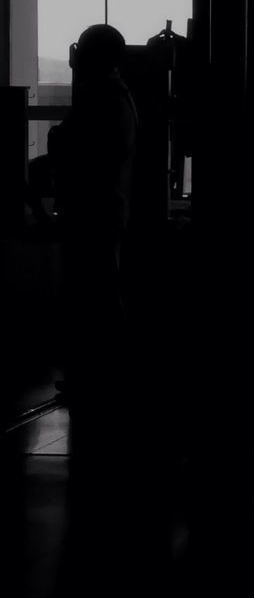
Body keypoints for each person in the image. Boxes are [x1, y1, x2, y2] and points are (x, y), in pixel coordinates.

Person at [48, 24, 138, 403]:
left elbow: (70, 146)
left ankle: (100, 376)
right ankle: (105, 374)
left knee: (93, 295)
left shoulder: (98, 98)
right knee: (100, 291)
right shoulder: (119, 98)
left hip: (92, 210)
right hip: (107, 207)